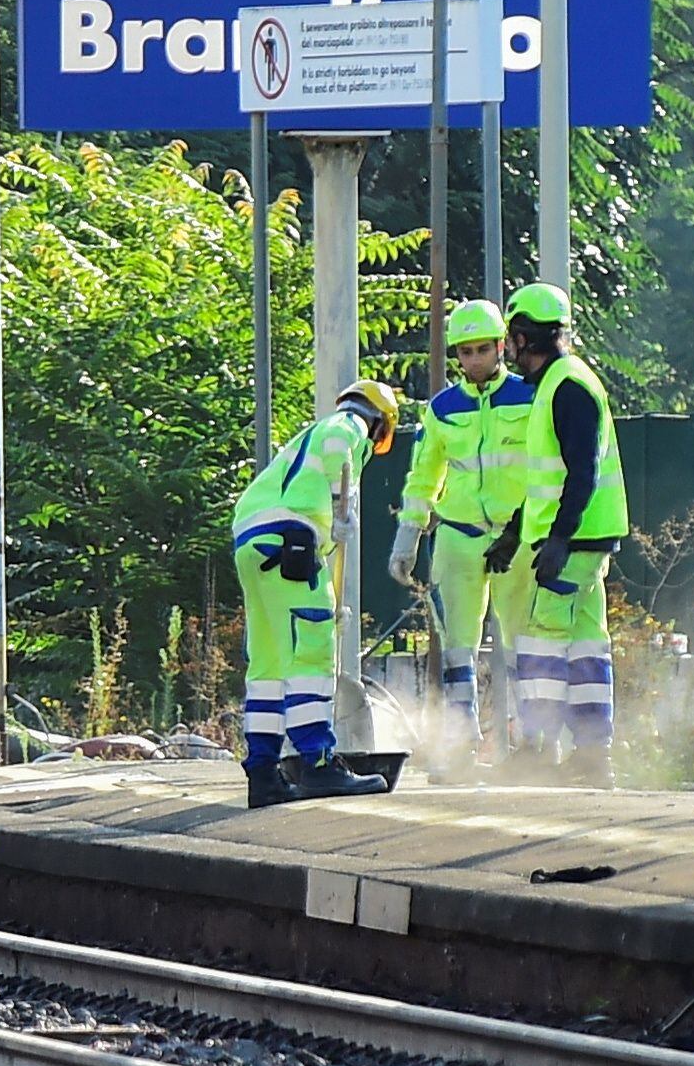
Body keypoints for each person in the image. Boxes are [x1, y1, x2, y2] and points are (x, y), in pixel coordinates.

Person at [230, 379, 402, 806]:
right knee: (312, 654)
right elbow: (338, 448)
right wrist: (342, 504)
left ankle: (263, 775)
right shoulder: (349, 424)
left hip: (253, 542)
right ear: (381, 422)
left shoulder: (303, 440)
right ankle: (319, 763)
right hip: (291, 541)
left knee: (269, 664)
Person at [487, 283, 624, 783]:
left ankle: (539, 751)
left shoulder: (566, 386)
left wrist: (560, 538)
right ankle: (593, 755)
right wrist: (515, 533)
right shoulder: (564, 382)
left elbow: (582, 473)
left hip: (573, 541)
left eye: (511, 339)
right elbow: (552, 479)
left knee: (543, 639)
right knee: (587, 643)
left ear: (523, 339)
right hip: (584, 539)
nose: (509, 349)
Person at [389, 299, 536, 758]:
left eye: (482, 350)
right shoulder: (442, 408)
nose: (473, 360)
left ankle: (532, 743)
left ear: (501, 347)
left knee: (524, 640)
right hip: (458, 533)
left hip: (516, 536)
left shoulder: (530, 398)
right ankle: (462, 742)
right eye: (465, 352)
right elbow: (423, 476)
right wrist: (408, 536)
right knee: (457, 645)